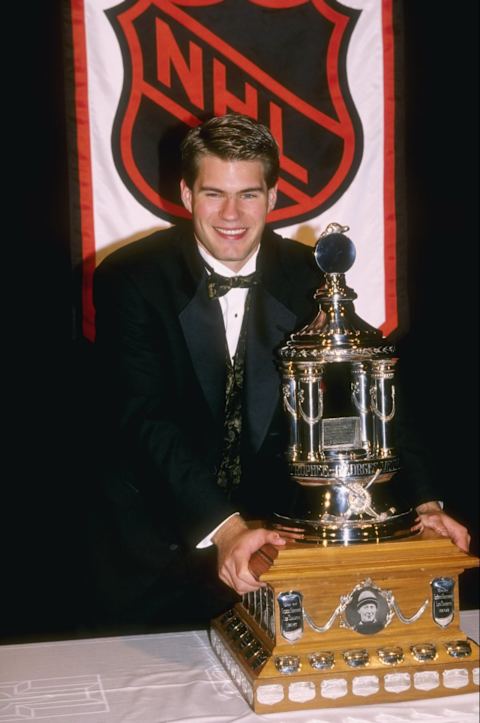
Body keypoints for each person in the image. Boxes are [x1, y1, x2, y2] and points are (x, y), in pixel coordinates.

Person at [90, 113, 470, 631]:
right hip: (150, 551)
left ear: (272, 197)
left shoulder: (310, 276)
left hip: (271, 554)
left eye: (248, 194)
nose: (231, 213)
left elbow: (374, 394)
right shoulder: (129, 278)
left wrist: (425, 502)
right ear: (185, 194)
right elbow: (143, 419)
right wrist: (222, 528)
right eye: (213, 193)